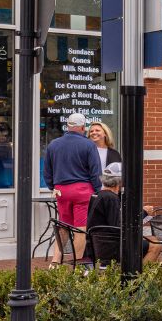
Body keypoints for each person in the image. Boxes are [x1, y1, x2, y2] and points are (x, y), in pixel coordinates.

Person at [44, 113, 101, 264]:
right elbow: (95, 172)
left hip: (61, 190)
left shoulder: (53, 144)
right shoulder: (89, 145)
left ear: (68, 126)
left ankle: (55, 261)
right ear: (83, 127)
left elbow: (47, 172)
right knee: (80, 229)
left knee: (63, 226)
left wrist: (53, 187)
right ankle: (77, 264)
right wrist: (98, 190)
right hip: (82, 190)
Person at [85, 163, 162, 265]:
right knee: (156, 245)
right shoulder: (111, 198)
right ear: (120, 182)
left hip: (97, 246)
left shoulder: (97, 195)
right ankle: (137, 277)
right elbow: (120, 227)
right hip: (110, 249)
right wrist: (143, 213)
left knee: (153, 239)